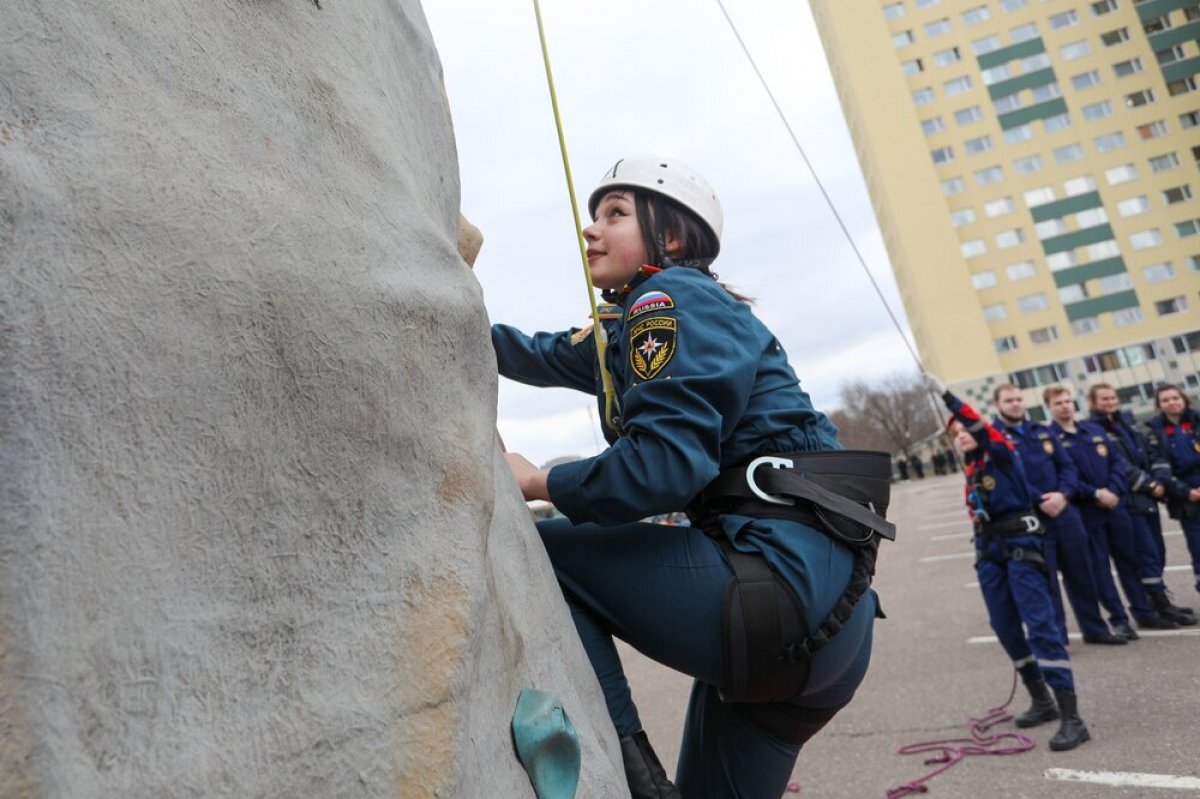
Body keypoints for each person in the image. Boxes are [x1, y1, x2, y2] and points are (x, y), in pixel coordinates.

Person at [492, 156, 893, 798]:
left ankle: (639, 779)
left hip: (776, 595)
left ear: (672, 238)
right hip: (833, 628)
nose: (590, 231)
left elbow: (662, 470)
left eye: (615, 214)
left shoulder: (667, 299)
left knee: (540, 551)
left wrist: (539, 482)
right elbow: (534, 351)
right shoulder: (647, 325)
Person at [936, 381, 1089, 751]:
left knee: (1041, 626)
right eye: (955, 434)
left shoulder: (1001, 451)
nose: (963, 436)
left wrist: (949, 398)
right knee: (1004, 625)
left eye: (965, 431)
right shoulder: (971, 468)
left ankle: (1073, 717)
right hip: (990, 550)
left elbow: (978, 427)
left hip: (1022, 545)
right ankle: (1041, 699)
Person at [989, 384, 1123, 645]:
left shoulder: (1041, 432)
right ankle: (1057, 637)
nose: (1015, 404)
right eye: (1009, 400)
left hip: (1065, 512)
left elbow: (1067, 466)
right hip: (1033, 519)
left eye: (1018, 399)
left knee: (1082, 575)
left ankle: (1094, 629)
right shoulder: (996, 439)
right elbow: (1008, 477)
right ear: (998, 406)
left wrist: (1063, 494)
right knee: (1046, 581)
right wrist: (1039, 499)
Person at [1045, 386, 1174, 636]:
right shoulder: (1050, 439)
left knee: (1130, 561)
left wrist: (1114, 490)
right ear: (1049, 407)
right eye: (1058, 403)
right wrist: (1095, 493)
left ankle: (1144, 612)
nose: (1065, 406)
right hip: (1087, 511)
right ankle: (1119, 619)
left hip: (1116, 506)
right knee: (1100, 568)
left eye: (1068, 401)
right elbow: (1065, 475)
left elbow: (1116, 463)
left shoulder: (1093, 430)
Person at [1087, 384, 1195, 625]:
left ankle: (1158, 602)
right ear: (1093, 402)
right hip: (1129, 499)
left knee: (1157, 551)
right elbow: (1117, 464)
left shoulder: (1127, 422)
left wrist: (1160, 480)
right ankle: (1155, 608)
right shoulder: (1094, 429)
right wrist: (1148, 484)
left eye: (1112, 397)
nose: (1110, 401)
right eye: (1103, 398)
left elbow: (1150, 451)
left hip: (1147, 498)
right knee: (1145, 553)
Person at [1145, 384, 1200, 595]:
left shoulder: (1197, 420)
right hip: (1185, 498)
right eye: (1165, 400)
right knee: (1198, 547)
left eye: (1175, 398)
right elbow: (1159, 467)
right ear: (1159, 405)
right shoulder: (1155, 431)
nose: (1172, 402)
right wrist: (1186, 492)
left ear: (1184, 399)